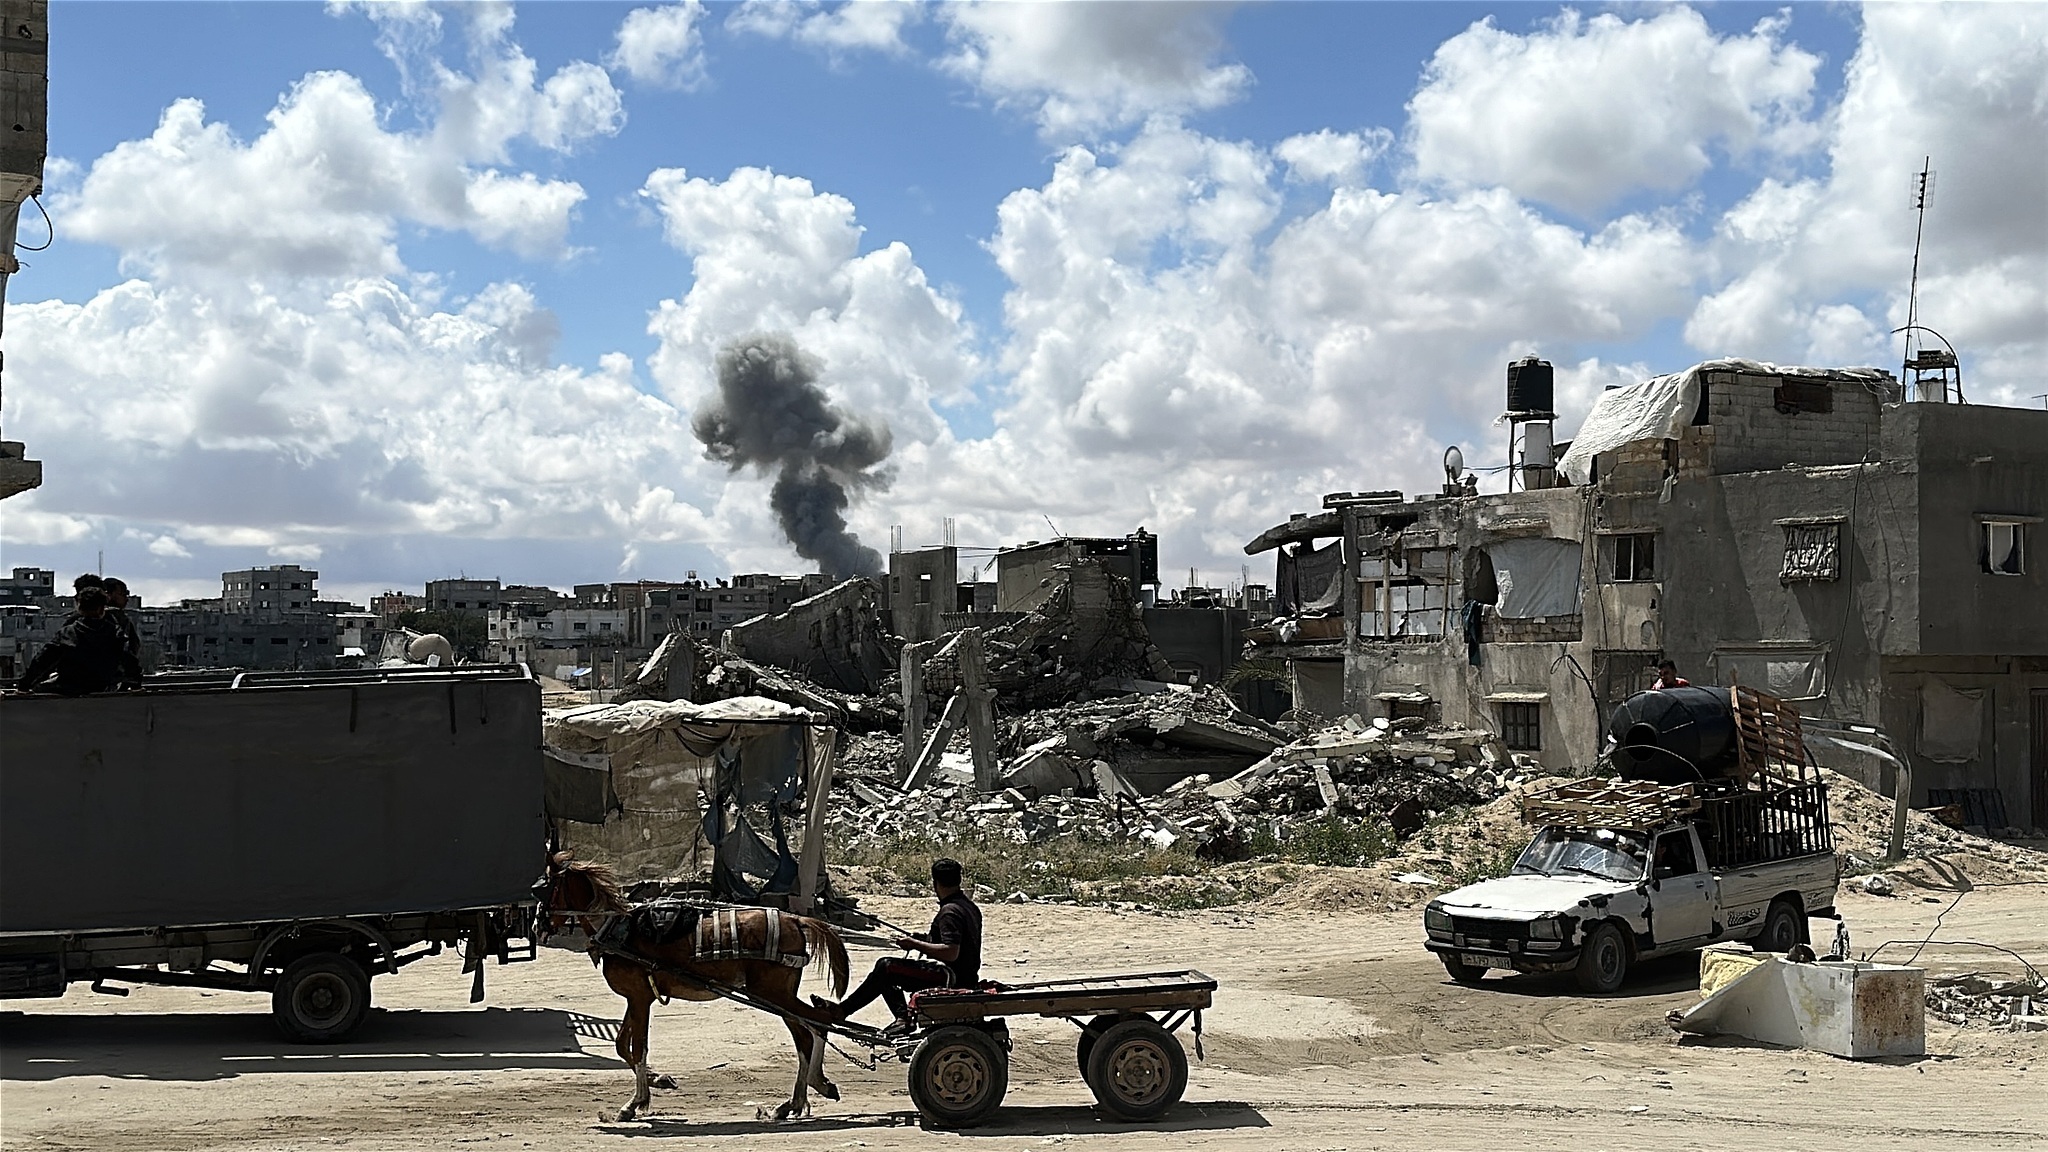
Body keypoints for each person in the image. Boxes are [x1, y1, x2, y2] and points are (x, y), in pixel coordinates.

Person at [825, 858, 981, 1032]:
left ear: (935, 883)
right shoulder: (968, 907)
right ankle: (883, 1015)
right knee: (890, 969)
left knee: (886, 967)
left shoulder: (949, 912)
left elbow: (951, 952)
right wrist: (923, 939)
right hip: (965, 975)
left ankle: (891, 1017)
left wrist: (914, 944)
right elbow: (956, 943)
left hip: (949, 977)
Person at [16, 587, 126, 695]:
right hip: (104, 687)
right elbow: (128, 659)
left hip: (70, 687)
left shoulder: (69, 633)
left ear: (79, 606)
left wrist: (24, 685)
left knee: (39, 689)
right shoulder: (115, 632)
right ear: (102, 609)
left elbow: (43, 660)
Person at [100, 577, 145, 689]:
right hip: (115, 677)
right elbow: (132, 647)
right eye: (122, 594)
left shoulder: (78, 619)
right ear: (108, 594)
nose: (126, 599)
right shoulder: (118, 617)